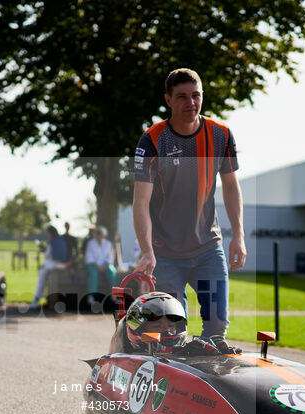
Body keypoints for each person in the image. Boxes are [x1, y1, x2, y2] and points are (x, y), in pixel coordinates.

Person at [132, 68, 246, 341]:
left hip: (208, 248)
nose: (190, 103)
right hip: (166, 252)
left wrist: (238, 236)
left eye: (196, 96)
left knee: (217, 327)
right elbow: (140, 202)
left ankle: (210, 379)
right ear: (168, 100)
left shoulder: (221, 135)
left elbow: (231, 186)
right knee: (171, 331)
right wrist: (147, 251)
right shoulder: (152, 140)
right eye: (182, 97)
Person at [109, 292, 240, 356]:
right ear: (137, 330)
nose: (166, 332)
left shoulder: (183, 350)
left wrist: (215, 352)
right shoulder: (127, 357)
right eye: (157, 327)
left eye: (171, 326)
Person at [29, 225, 68, 308]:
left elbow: (48, 255)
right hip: (61, 263)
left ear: (51, 233)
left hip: (52, 264)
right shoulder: (61, 240)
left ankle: (36, 299)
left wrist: (43, 249)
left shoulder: (52, 241)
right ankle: (42, 294)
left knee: (41, 279)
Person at [84, 226, 117, 301]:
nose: (98, 235)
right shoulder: (91, 243)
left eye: (100, 233)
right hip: (93, 264)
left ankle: (115, 295)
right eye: (97, 233)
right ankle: (92, 296)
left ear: (104, 234)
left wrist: (104, 266)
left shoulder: (108, 244)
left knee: (112, 272)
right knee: (93, 273)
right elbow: (89, 257)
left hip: (105, 265)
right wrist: (97, 266)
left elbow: (110, 257)